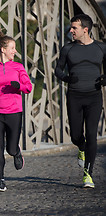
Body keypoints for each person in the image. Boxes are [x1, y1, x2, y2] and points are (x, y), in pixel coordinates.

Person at [55, 14, 106, 188]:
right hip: (74, 97)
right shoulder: (67, 49)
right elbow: (58, 70)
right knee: (76, 136)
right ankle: (81, 148)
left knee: (92, 134)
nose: (71, 31)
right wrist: (67, 79)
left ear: (86, 29)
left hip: (94, 97)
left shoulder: (101, 48)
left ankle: (88, 174)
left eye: (74, 28)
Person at [0, 30, 32, 192]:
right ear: (3, 49)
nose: (15, 51)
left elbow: (29, 87)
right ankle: (0, 180)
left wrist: (19, 86)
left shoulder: (18, 67)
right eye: (12, 48)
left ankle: (16, 152)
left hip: (14, 112)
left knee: (10, 149)